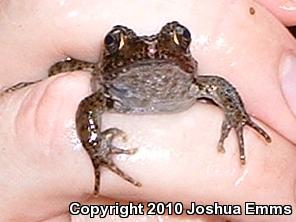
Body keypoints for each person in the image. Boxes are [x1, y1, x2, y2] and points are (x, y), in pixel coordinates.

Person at [0, 0, 295, 221]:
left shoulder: (200, 85)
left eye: (179, 39)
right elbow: (88, 105)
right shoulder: (101, 96)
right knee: (59, 72)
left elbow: (219, 84)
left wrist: (237, 115)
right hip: (113, 90)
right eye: (116, 43)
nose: (152, 51)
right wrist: (96, 148)